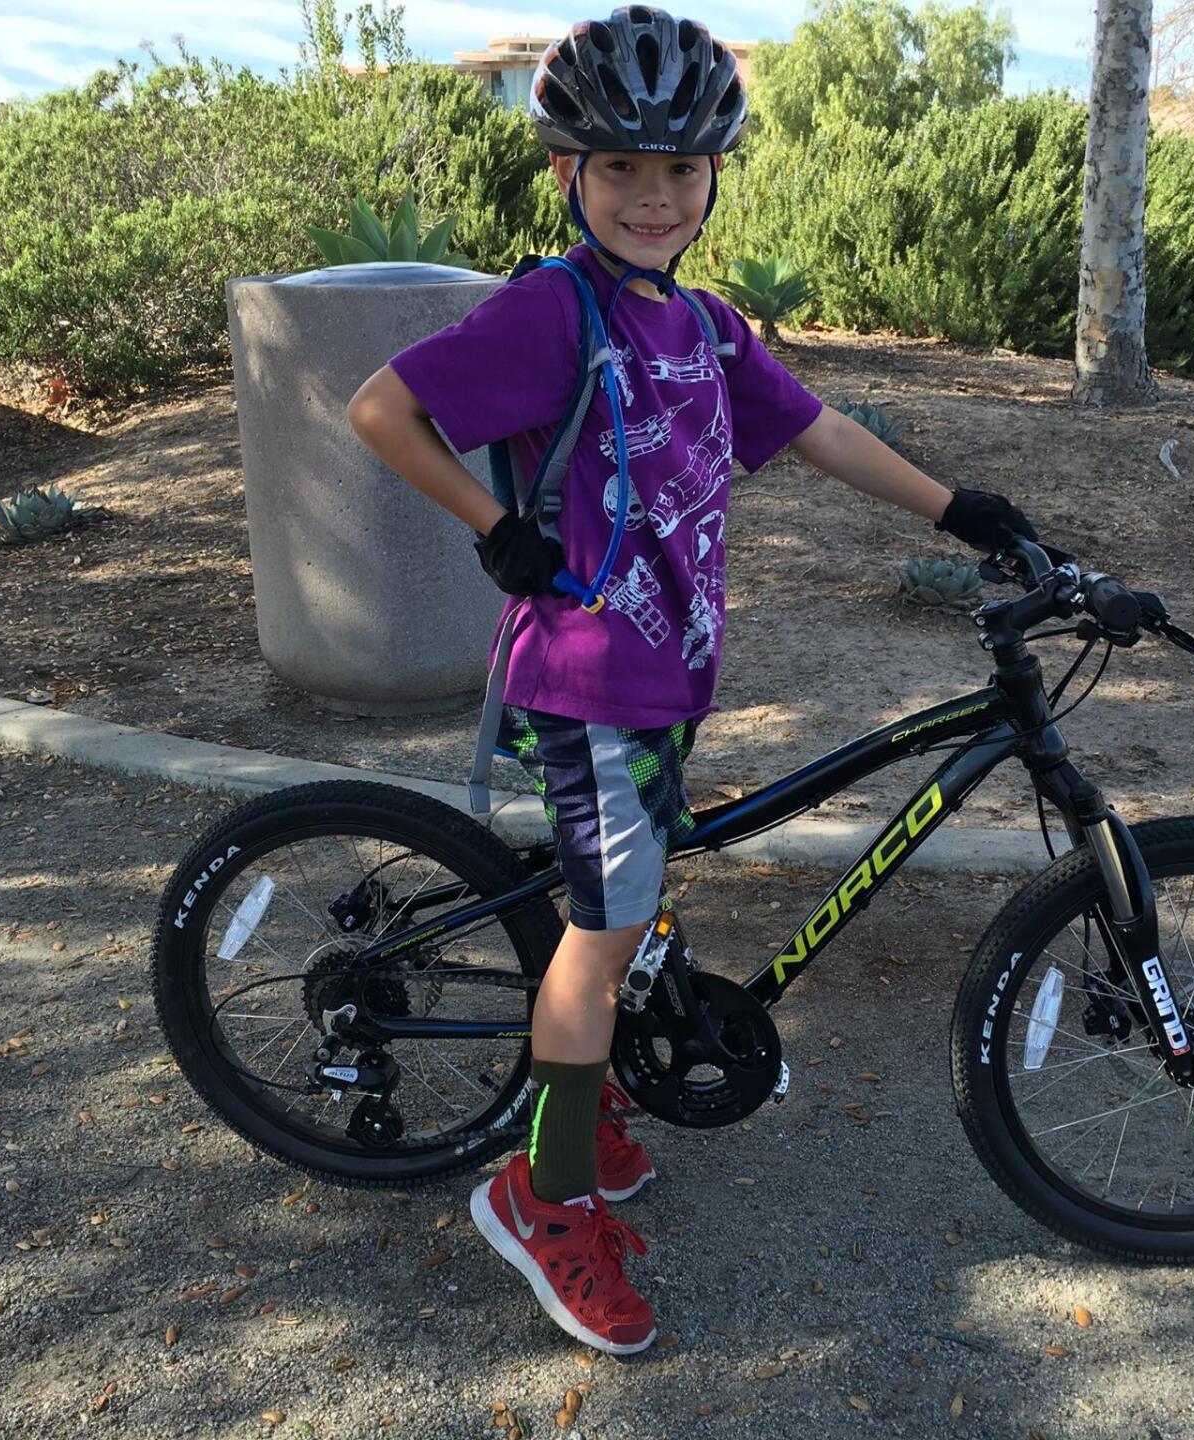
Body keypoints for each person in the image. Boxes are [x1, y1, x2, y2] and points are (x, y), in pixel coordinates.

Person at [345, 5, 1037, 1356]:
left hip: (669, 676)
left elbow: (818, 426)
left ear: (714, 179)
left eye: (678, 173)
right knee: (605, 938)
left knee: (636, 900)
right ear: (568, 177)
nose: (653, 197)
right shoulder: (554, 309)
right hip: (588, 677)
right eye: (620, 171)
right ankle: (536, 1199)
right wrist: (495, 529)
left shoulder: (704, 326)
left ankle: (584, 1096)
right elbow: (380, 408)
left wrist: (963, 511)